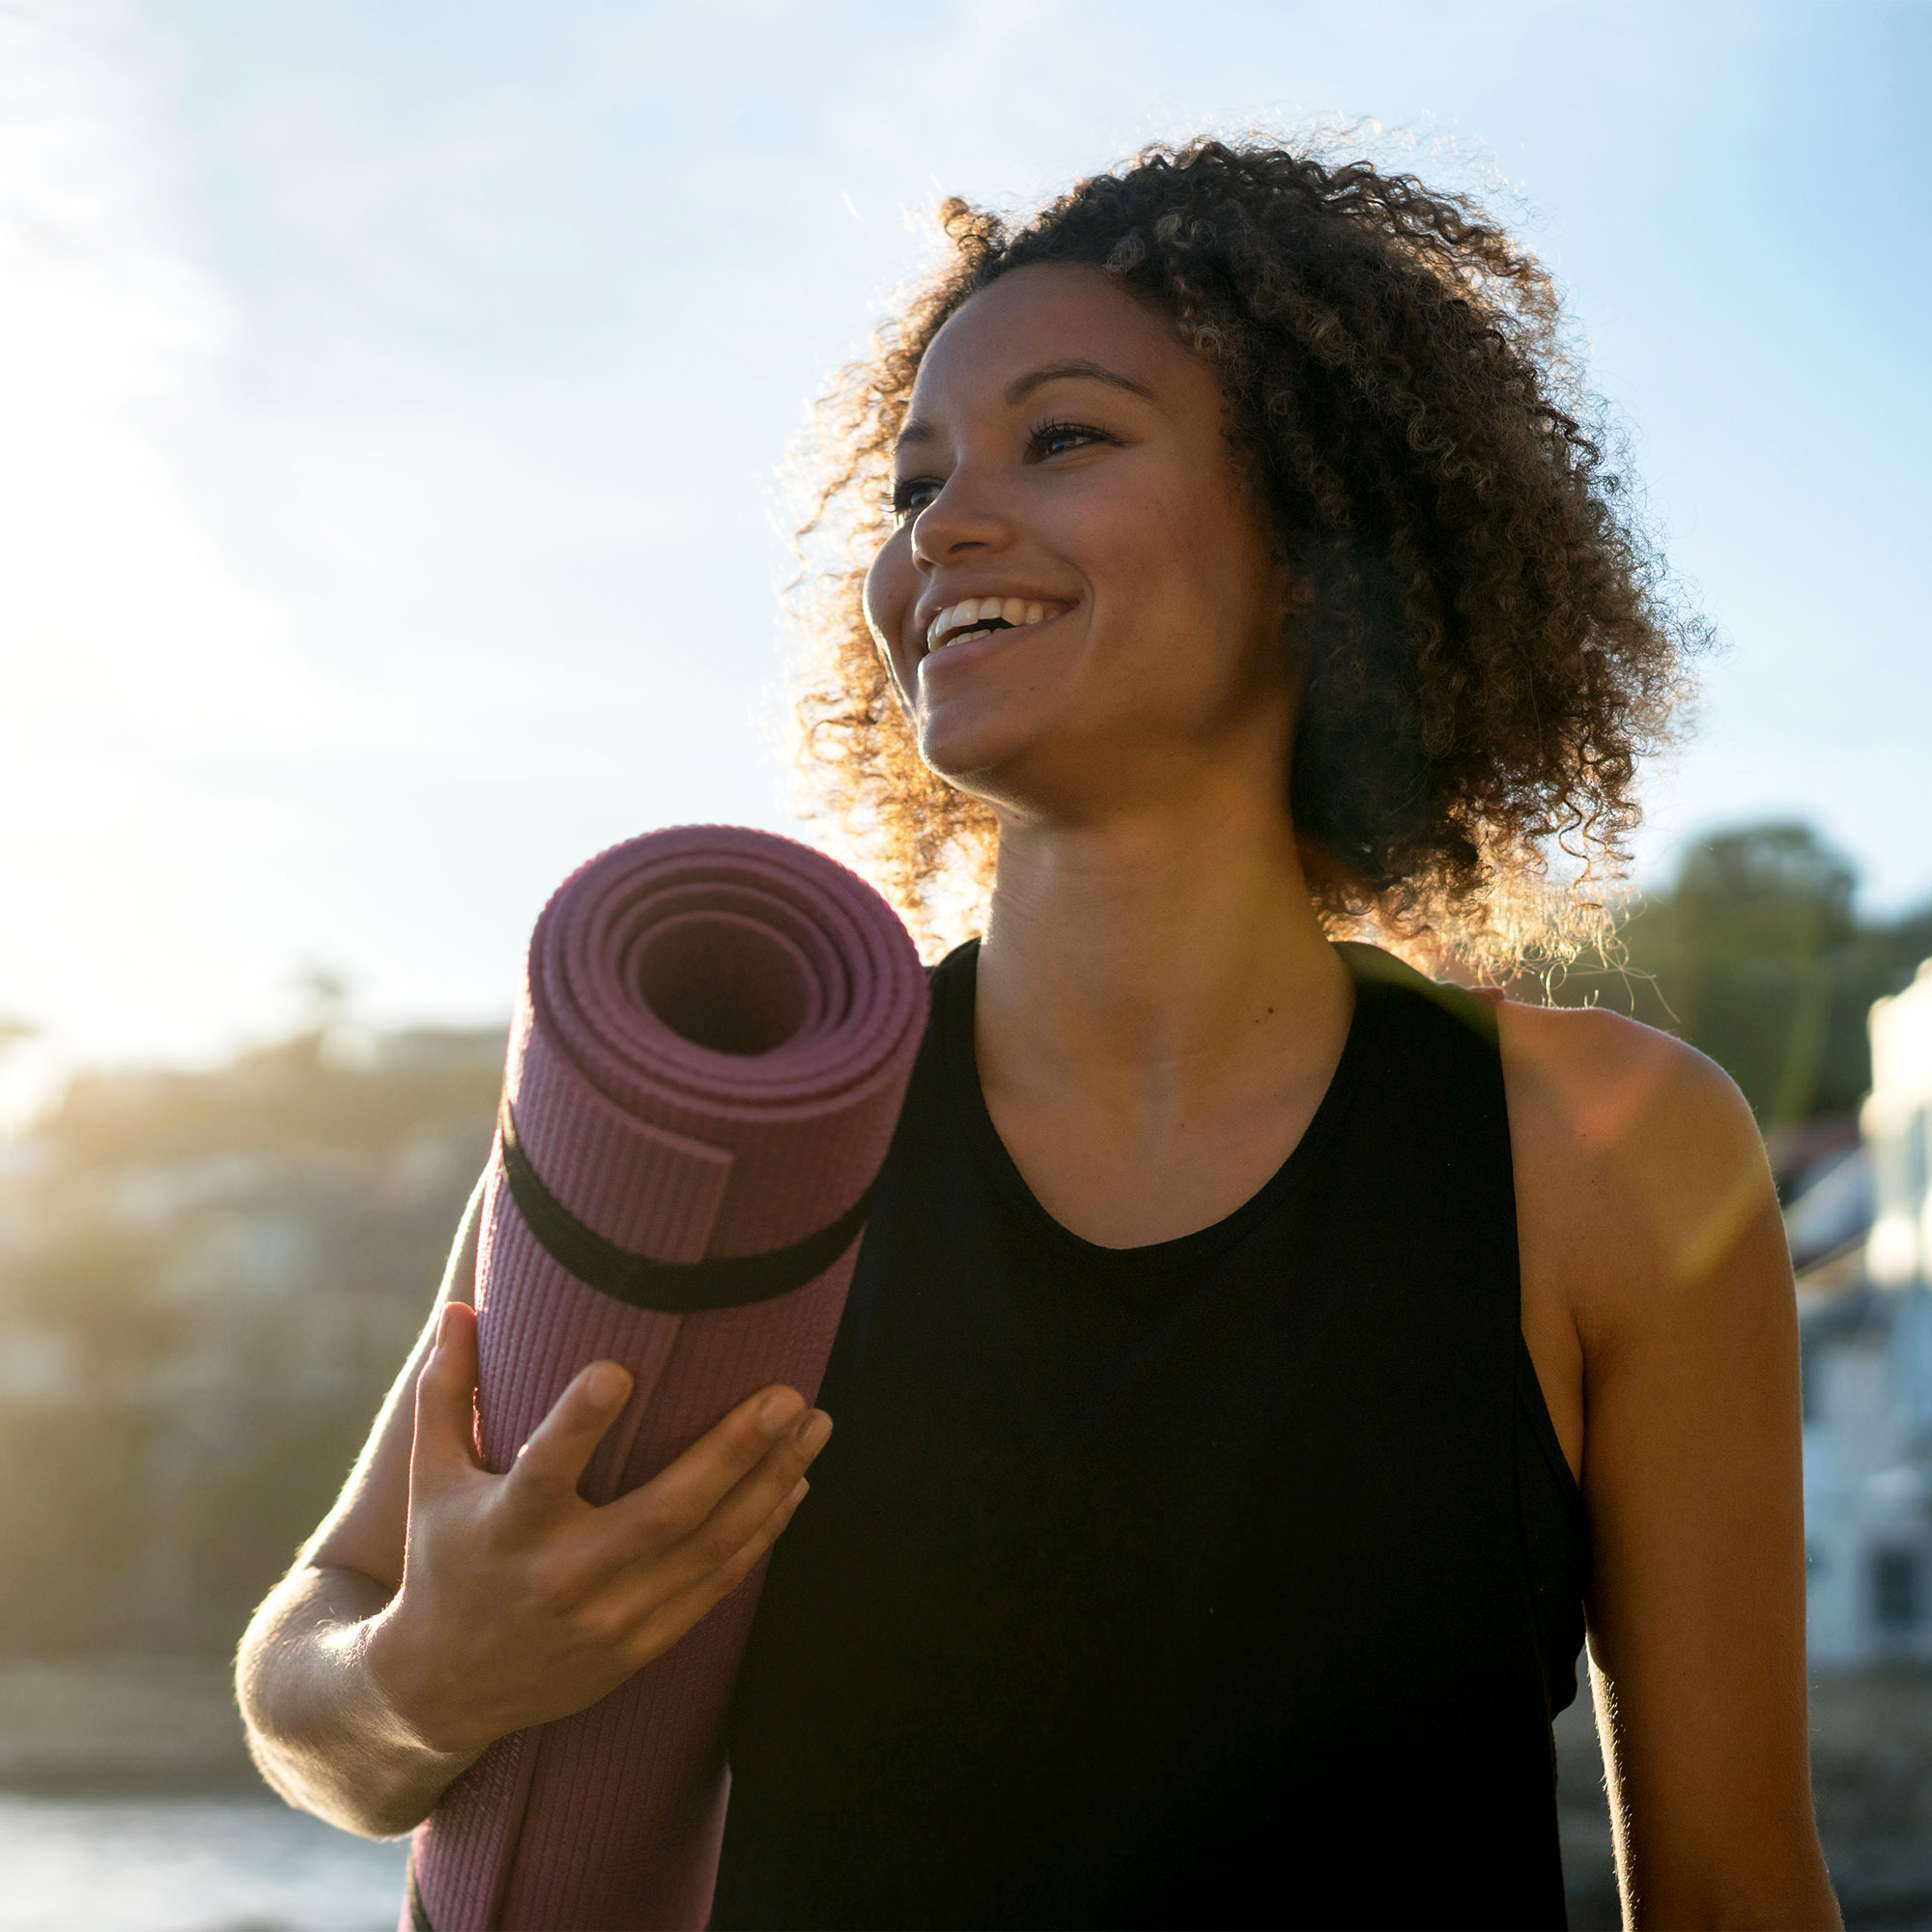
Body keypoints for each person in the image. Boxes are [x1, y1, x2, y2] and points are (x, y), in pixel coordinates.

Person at [238, 138, 1838, 1929]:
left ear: (1323, 534)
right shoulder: (745, 1112)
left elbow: (1729, 1891)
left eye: (1063, 439)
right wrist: (421, 1682)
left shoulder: (1607, 1147)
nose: (945, 524)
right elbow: (311, 1671)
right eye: (918, 480)